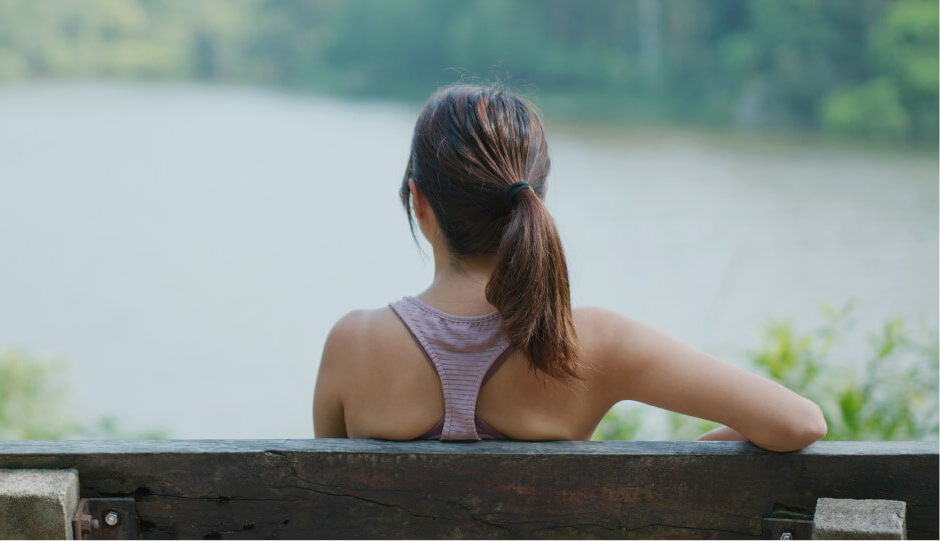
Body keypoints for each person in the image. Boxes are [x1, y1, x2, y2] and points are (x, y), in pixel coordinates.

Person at [311, 84, 827, 451]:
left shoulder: (352, 344)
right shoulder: (593, 342)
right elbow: (799, 423)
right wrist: (688, 467)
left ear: (418, 202)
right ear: (538, 199)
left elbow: (322, 507)